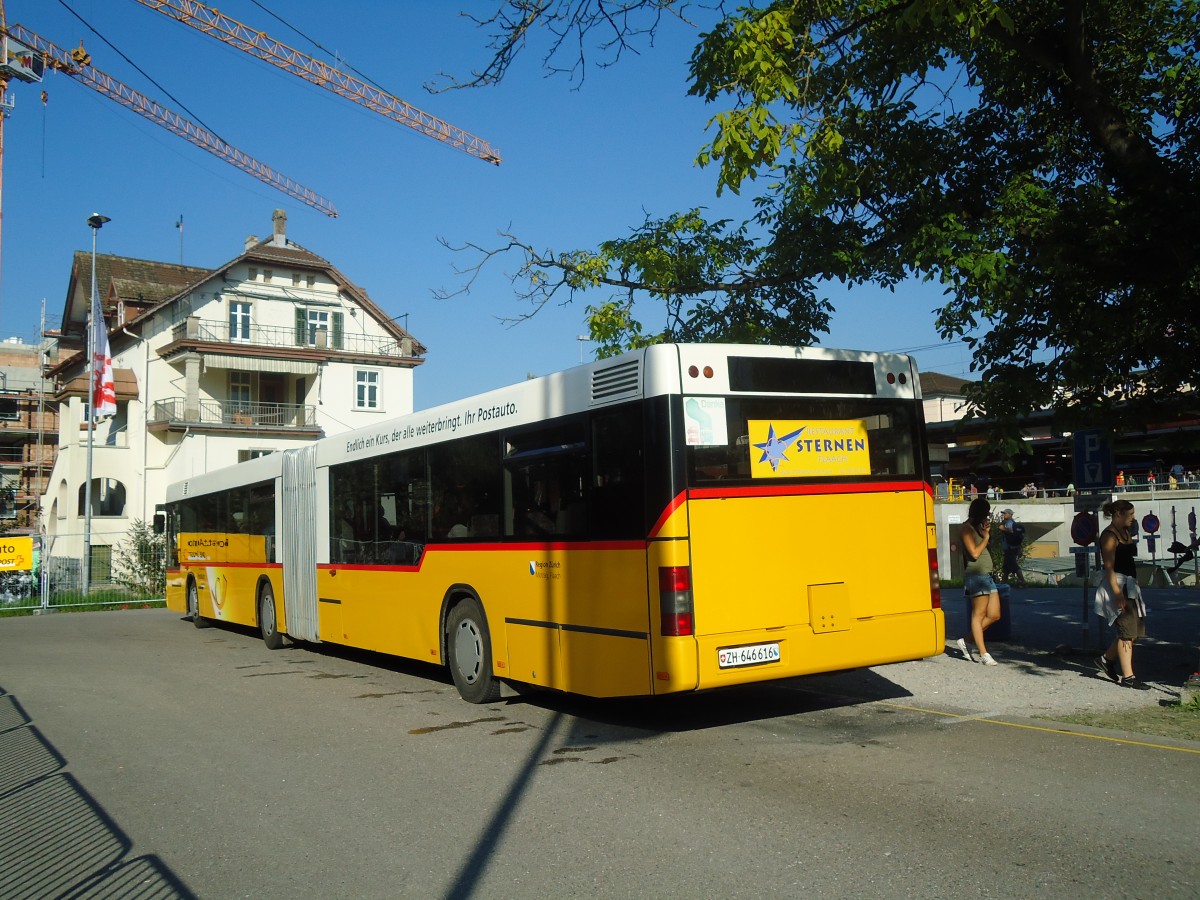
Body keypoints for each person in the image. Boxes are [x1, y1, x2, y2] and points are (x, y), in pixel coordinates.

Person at [1094, 499, 1151, 690]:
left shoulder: (1125, 533)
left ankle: (1106, 659)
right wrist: (1118, 594)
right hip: (1117, 585)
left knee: (1134, 631)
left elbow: (1127, 560)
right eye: (1131, 514)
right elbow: (1109, 567)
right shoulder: (1109, 536)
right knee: (1126, 631)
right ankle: (1128, 677)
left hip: (1129, 585)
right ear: (1119, 514)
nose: (1134, 518)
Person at [955, 497, 1000, 666]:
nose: (987, 516)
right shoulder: (966, 529)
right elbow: (974, 553)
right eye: (986, 513)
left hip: (987, 575)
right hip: (976, 576)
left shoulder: (977, 528)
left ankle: (966, 640)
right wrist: (986, 537)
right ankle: (984, 653)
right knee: (978, 615)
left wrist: (986, 533)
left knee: (995, 615)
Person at [999, 508, 1026, 587]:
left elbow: (1011, 531)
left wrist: (1002, 528)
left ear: (1010, 515)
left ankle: (1023, 581)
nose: (1003, 515)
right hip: (1011, 548)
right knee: (1006, 568)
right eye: (1003, 513)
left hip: (1010, 548)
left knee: (1014, 565)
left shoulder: (1009, 523)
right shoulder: (1010, 522)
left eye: (1005, 513)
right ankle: (1003, 584)